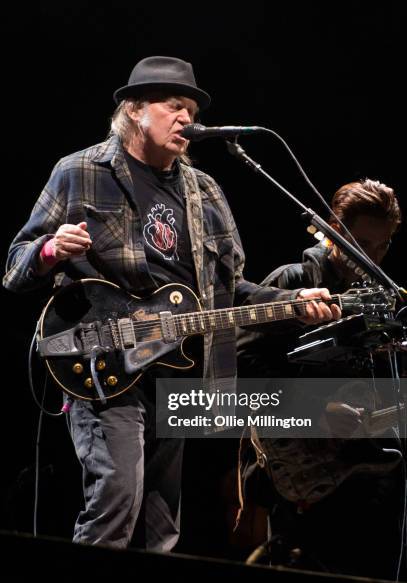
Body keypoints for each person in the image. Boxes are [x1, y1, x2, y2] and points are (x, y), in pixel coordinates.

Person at [3, 56, 340, 552]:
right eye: (174, 106)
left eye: (192, 109)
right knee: (116, 500)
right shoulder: (80, 171)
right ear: (135, 109)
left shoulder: (205, 192)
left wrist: (293, 301)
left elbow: (228, 292)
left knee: (163, 525)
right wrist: (51, 250)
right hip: (104, 364)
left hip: (181, 372)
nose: (188, 119)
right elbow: (15, 267)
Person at [237, 178, 406, 579]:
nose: (373, 257)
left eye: (382, 246)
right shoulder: (293, 282)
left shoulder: (374, 295)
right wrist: (319, 409)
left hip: (358, 465)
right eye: (362, 245)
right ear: (333, 231)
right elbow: (241, 367)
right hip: (299, 467)